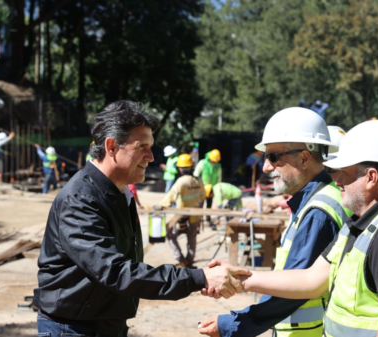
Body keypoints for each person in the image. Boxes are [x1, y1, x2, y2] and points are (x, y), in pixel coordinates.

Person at [34, 100, 250, 337]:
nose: (150, 156)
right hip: (73, 328)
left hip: (104, 322)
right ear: (112, 146)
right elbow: (115, 271)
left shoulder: (118, 193)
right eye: (142, 146)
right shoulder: (80, 200)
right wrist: (198, 278)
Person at [205, 120, 378, 337]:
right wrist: (239, 277)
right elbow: (311, 280)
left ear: (371, 177)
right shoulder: (361, 225)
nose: (337, 181)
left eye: (343, 172)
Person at [198, 107, 354, 337]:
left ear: (304, 158)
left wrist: (234, 324)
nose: (266, 167)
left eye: (273, 157)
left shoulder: (319, 211)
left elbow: (299, 288)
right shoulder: (319, 199)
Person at [159, 153, 206, 268]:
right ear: (191, 167)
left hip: (181, 218)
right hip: (195, 217)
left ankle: (180, 259)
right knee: (192, 239)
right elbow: (202, 198)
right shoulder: (198, 181)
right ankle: (189, 261)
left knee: (170, 235)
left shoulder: (181, 181)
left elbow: (170, 197)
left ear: (180, 169)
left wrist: (160, 206)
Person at [194, 149, 222, 228]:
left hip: (212, 188)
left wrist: (217, 189)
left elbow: (219, 178)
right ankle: (198, 220)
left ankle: (208, 218)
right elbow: (196, 174)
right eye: (213, 160)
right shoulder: (203, 163)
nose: (214, 162)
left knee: (209, 204)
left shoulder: (218, 166)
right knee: (200, 204)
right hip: (202, 188)